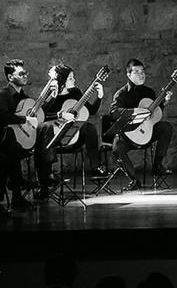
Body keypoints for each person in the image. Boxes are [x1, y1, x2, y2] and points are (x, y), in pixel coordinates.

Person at [34, 64, 104, 199]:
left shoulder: (76, 93)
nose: (74, 80)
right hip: (53, 138)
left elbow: (92, 111)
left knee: (89, 127)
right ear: (62, 80)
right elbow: (41, 116)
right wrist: (60, 115)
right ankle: (47, 179)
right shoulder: (50, 95)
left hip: (73, 135)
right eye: (71, 78)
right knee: (46, 130)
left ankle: (95, 167)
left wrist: (99, 96)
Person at [110, 59, 173, 191]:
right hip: (128, 135)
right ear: (128, 75)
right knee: (117, 147)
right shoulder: (121, 94)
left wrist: (164, 102)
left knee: (166, 127)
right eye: (137, 72)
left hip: (147, 131)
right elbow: (113, 112)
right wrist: (133, 111)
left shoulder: (149, 92)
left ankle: (157, 166)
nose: (141, 74)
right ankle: (134, 180)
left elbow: (154, 112)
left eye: (142, 71)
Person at [0, 59, 38, 212]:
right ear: (10, 77)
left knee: (40, 133)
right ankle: (17, 189)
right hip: (2, 139)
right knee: (10, 141)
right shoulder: (3, 94)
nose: (25, 76)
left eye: (25, 73)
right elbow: (2, 117)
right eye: (21, 73)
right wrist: (24, 119)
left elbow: (36, 115)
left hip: (16, 142)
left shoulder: (24, 97)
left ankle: (41, 181)